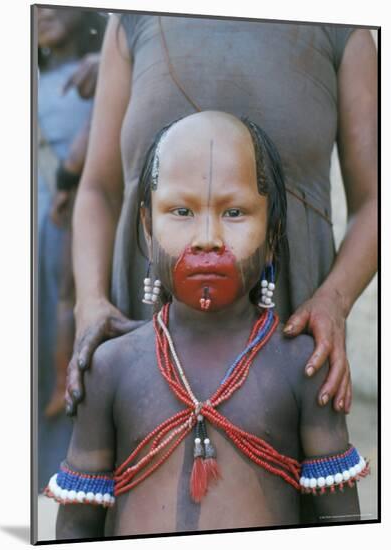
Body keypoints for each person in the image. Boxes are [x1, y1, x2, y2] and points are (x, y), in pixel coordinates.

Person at [45, 112, 369, 538]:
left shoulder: (304, 368)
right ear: (146, 225)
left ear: (272, 237)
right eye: (181, 211)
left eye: (234, 212)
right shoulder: (110, 368)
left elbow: (339, 520)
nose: (207, 238)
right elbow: (77, 524)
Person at [65, 14, 378, 420]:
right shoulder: (132, 17)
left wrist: (334, 301)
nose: (208, 238)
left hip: (290, 338)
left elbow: (376, 201)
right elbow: (99, 191)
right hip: (140, 332)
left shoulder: (340, 20)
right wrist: (89, 301)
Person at [37, 6, 105, 490]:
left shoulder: (102, 72)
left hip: (71, 223)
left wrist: (111, 62)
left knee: (69, 310)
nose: (43, 10)